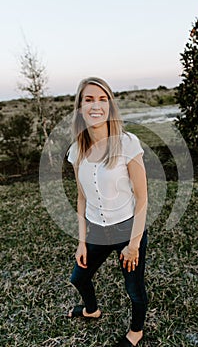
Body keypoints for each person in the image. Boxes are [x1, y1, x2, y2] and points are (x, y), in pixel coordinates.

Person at [67, 77, 148, 347]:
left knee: (134, 289)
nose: (96, 105)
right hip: (97, 231)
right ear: (79, 108)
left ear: (111, 106)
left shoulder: (128, 144)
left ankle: (136, 332)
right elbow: (81, 196)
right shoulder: (76, 150)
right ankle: (91, 309)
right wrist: (81, 241)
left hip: (127, 229)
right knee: (79, 277)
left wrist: (134, 245)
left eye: (103, 99)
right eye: (88, 99)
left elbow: (142, 198)